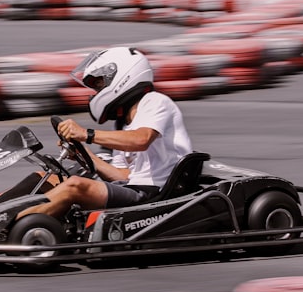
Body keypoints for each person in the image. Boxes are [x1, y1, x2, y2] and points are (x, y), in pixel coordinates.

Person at [16, 46, 192, 219]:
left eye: (99, 84)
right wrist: (85, 154)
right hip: (133, 188)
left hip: (156, 193)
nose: (96, 92)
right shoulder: (122, 125)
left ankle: (8, 226)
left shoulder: (155, 101)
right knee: (45, 179)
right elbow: (123, 176)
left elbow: (141, 140)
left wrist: (86, 134)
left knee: (75, 185)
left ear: (123, 75)